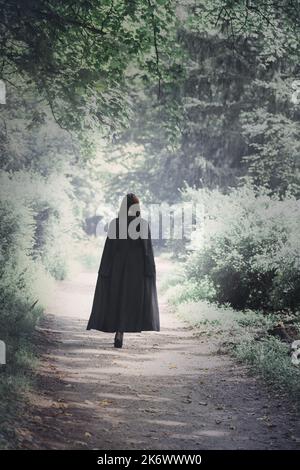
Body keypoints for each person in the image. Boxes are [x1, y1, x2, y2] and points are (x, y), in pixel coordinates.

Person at [86, 193, 160, 348]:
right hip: (136, 269)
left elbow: (109, 249)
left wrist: (105, 270)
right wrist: (149, 270)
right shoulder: (142, 225)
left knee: (118, 299)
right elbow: (147, 250)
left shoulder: (116, 224)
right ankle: (123, 329)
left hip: (117, 267)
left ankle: (119, 332)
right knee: (129, 300)